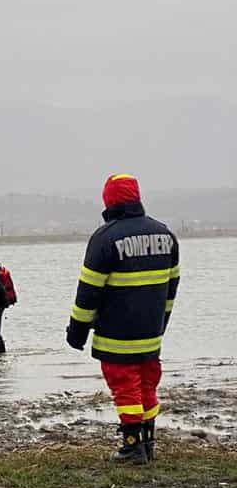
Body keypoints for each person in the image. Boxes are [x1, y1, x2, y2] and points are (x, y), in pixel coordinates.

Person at [66, 173, 179, 465]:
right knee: (147, 385)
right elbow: (171, 289)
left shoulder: (105, 239)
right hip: (151, 334)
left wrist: (76, 333)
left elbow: (88, 293)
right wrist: (161, 325)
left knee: (125, 387)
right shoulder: (165, 235)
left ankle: (132, 447)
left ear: (108, 200)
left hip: (117, 334)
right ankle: (149, 443)